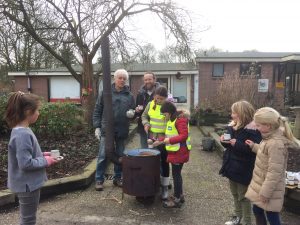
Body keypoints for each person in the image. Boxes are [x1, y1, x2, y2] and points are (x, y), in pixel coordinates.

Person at [4, 91, 59, 225]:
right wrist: (47, 161)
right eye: (37, 110)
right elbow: (25, 163)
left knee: (27, 217)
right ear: (28, 111)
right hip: (27, 186)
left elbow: (26, 155)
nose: (38, 113)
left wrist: (43, 155)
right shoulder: (22, 134)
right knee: (28, 220)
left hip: (25, 184)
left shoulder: (20, 130)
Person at [245, 107, 300, 225]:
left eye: (258, 125)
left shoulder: (276, 144)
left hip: (269, 189)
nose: (256, 127)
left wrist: (265, 193)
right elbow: (266, 154)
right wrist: (254, 146)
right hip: (262, 184)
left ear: (268, 125)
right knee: (257, 209)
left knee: (272, 215)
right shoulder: (269, 138)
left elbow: (274, 172)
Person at [219, 100, 262, 225]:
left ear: (241, 114)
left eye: (234, 112)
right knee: (234, 193)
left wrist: (237, 144)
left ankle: (247, 222)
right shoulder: (232, 126)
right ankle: (237, 217)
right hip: (231, 165)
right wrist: (223, 141)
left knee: (243, 196)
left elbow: (253, 150)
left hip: (244, 168)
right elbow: (228, 146)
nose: (231, 115)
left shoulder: (253, 130)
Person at [93, 69, 135, 191]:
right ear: (114, 78)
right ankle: (99, 179)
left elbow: (133, 110)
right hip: (107, 129)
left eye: (124, 78)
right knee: (103, 155)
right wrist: (97, 126)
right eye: (119, 78)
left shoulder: (129, 95)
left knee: (120, 155)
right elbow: (97, 110)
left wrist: (132, 113)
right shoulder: (105, 93)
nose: (122, 80)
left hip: (122, 129)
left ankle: (118, 178)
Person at [159, 101, 191, 208]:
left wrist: (169, 141)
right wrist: (157, 140)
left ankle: (177, 200)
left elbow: (184, 136)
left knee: (176, 175)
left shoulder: (180, 120)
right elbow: (170, 135)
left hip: (179, 152)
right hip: (176, 152)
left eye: (165, 114)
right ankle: (179, 195)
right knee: (177, 174)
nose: (164, 116)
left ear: (169, 112)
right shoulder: (172, 120)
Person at [141, 86, 170, 200]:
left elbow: (174, 121)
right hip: (152, 138)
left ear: (166, 98)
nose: (158, 101)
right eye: (157, 98)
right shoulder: (150, 104)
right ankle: (154, 183)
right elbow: (144, 115)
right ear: (154, 96)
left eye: (161, 99)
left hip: (164, 139)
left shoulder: (168, 106)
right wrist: (146, 123)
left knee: (164, 162)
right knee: (152, 161)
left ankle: (165, 187)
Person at [135, 71, 160, 148]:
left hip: (157, 126)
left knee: (156, 149)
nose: (147, 81)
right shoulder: (140, 93)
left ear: (154, 79)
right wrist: (137, 110)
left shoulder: (160, 92)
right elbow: (137, 109)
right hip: (143, 126)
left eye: (149, 79)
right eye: (145, 80)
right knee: (144, 149)